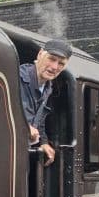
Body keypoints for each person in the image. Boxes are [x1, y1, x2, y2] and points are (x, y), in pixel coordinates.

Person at [19, 38, 71, 166]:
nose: (54, 67)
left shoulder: (48, 87)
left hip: (20, 153)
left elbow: (39, 119)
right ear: (40, 54)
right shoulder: (17, 78)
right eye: (52, 59)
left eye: (61, 64)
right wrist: (23, 126)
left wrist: (43, 142)